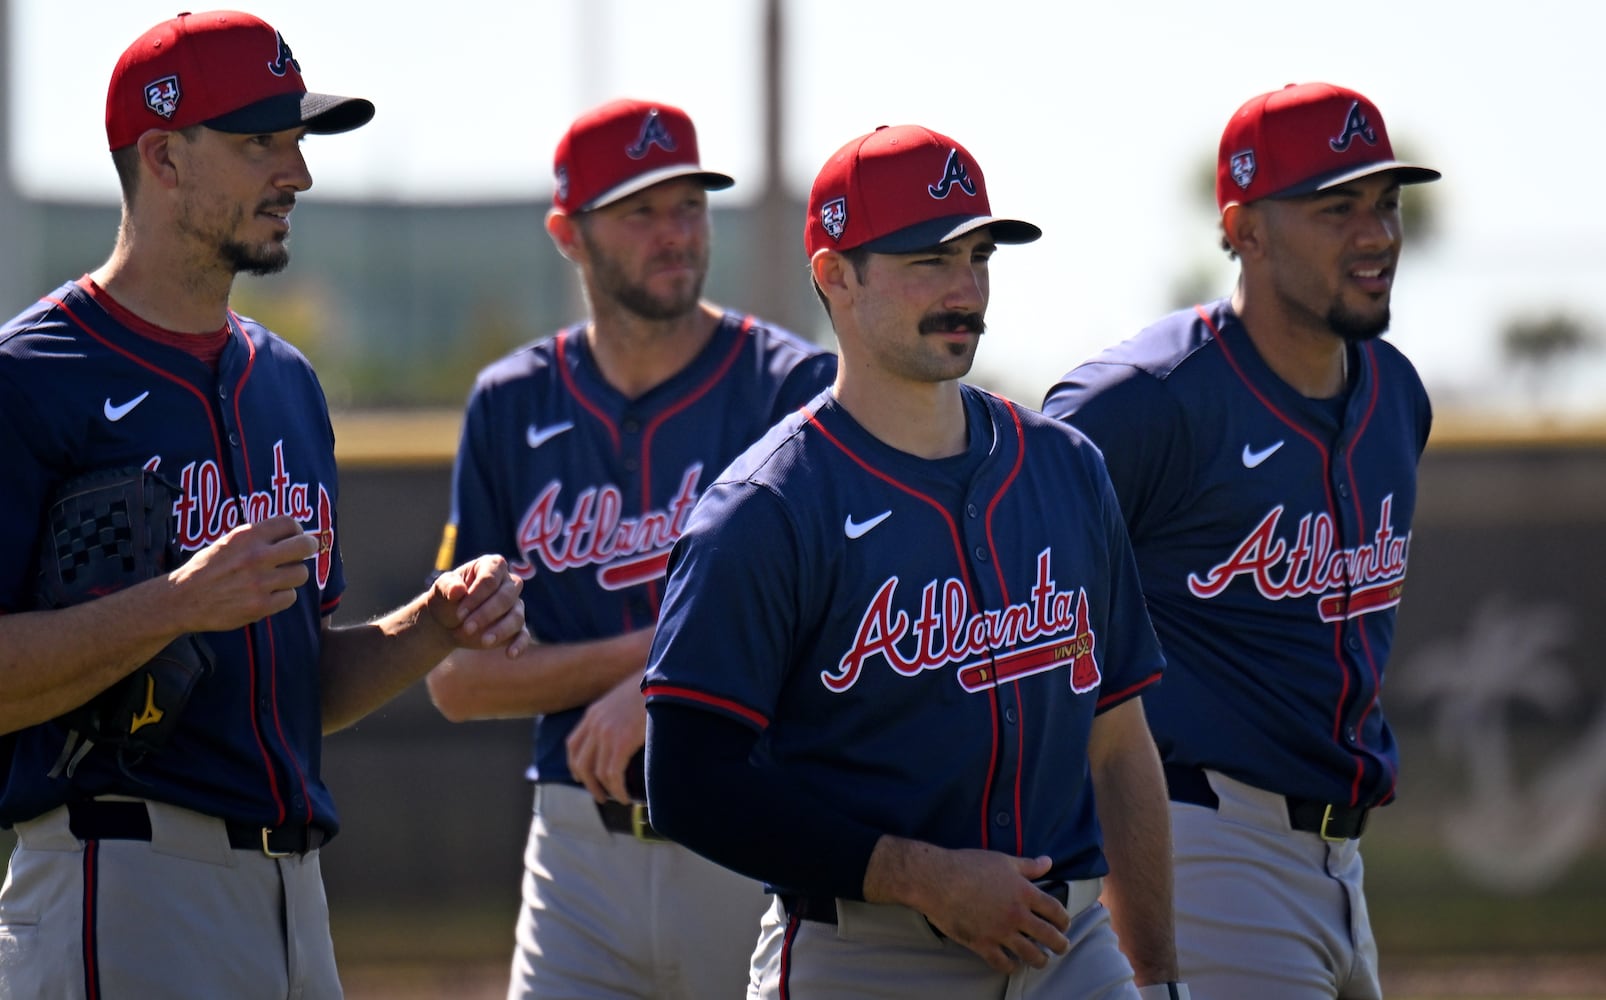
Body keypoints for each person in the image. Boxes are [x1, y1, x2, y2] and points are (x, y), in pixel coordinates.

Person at [0, 10, 529, 1000]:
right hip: (121, 877)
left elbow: (300, 687)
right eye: (259, 142)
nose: (298, 172)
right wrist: (174, 602)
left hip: (292, 896)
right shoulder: (32, 377)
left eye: (296, 139)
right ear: (161, 154)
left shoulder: (285, 381)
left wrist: (433, 625)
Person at [641, 124, 1187, 1000]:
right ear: (835, 275)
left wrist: (1157, 976)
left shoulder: (1064, 467)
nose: (965, 288)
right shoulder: (765, 510)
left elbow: (1119, 742)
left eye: (977, 255)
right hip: (869, 956)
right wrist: (921, 877)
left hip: (1071, 948)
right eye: (928, 260)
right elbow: (690, 784)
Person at [424, 97, 837, 999]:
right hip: (578, 851)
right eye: (640, 211)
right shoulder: (510, 401)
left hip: (749, 824)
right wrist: (663, 671)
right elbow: (459, 681)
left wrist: (664, 695)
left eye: (689, 205)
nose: (675, 234)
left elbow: (828, 621)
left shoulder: (791, 385)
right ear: (568, 234)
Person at [1043, 82, 1440, 1000]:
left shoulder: (1395, 391)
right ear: (1246, 228)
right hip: (1203, 841)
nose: (1376, 232)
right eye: (1336, 206)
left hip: (1342, 861)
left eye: (1386, 203)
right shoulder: (1145, 399)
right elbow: (1010, 587)